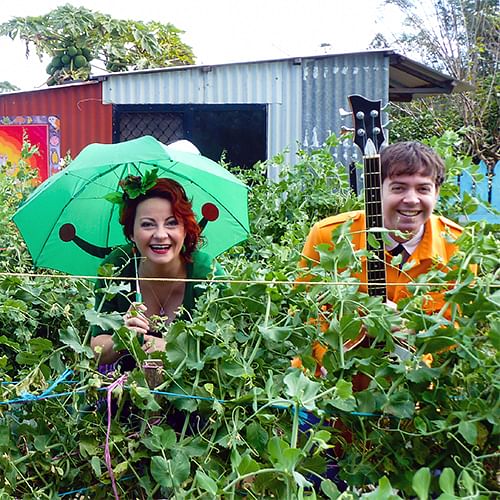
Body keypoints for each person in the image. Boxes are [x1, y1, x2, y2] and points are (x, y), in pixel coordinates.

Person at [294, 140, 468, 372]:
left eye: (423, 188)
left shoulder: (458, 246)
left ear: (436, 193)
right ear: (377, 189)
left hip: (414, 389)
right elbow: (306, 312)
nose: (411, 199)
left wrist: (413, 329)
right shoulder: (329, 235)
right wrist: (337, 352)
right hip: (332, 389)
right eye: (398, 187)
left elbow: (457, 328)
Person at [91, 176, 224, 369]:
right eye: (147, 224)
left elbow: (224, 348)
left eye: (171, 223)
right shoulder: (116, 267)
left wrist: (174, 350)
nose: (161, 234)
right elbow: (96, 348)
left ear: (185, 229)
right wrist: (121, 338)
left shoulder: (207, 272)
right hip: (127, 386)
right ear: (130, 233)